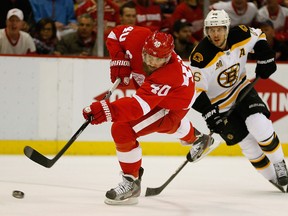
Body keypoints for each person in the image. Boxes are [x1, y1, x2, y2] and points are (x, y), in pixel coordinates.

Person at [82, 25, 215, 205]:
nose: (151, 62)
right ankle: (198, 138)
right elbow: (114, 34)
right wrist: (118, 57)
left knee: (123, 128)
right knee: (165, 124)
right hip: (172, 97)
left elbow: (137, 108)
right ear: (143, 47)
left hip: (172, 104)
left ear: (168, 57)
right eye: (148, 56)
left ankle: (131, 183)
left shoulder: (169, 74)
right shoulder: (139, 37)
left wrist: (105, 110)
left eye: (158, 59)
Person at [189, 10, 288, 191]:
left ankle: (279, 163)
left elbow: (259, 36)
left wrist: (265, 55)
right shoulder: (200, 57)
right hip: (219, 105)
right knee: (247, 144)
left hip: (242, 89)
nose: (216, 34)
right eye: (211, 30)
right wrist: (209, 113)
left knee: (258, 124)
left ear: (227, 28)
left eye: (219, 29)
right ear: (206, 31)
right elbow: (195, 91)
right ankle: (273, 178)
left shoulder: (240, 34)